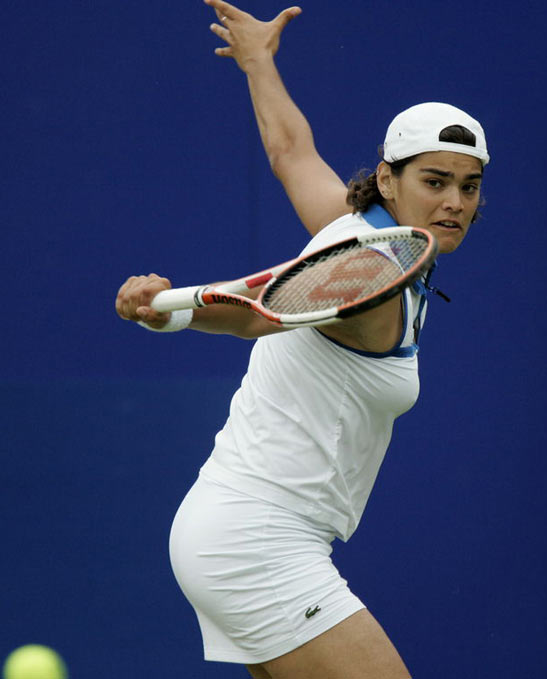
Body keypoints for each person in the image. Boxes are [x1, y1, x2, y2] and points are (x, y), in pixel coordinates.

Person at [114, 2, 490, 677]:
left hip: (240, 531)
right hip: (257, 540)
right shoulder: (368, 269)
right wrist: (169, 312)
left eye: (467, 186)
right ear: (389, 180)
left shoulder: (369, 235)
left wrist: (259, 60)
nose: (454, 202)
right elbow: (261, 310)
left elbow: (292, 153)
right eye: (434, 182)